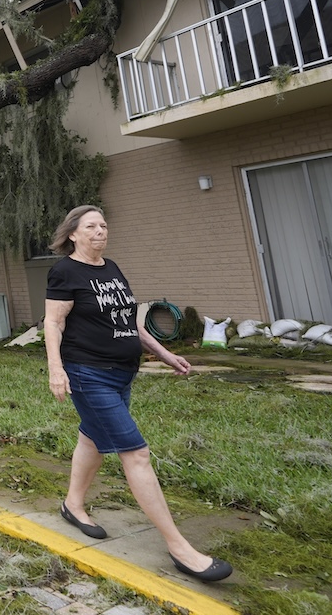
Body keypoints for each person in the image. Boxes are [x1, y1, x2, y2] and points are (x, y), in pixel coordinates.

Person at [43, 205, 233, 583]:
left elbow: (129, 323)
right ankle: (180, 548)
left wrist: (164, 353)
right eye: (91, 227)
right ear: (74, 235)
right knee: (136, 453)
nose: (101, 231)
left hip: (122, 374)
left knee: (93, 438)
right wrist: (56, 369)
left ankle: (73, 505)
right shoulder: (65, 271)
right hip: (88, 373)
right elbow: (53, 321)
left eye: (104, 225)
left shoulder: (111, 268)